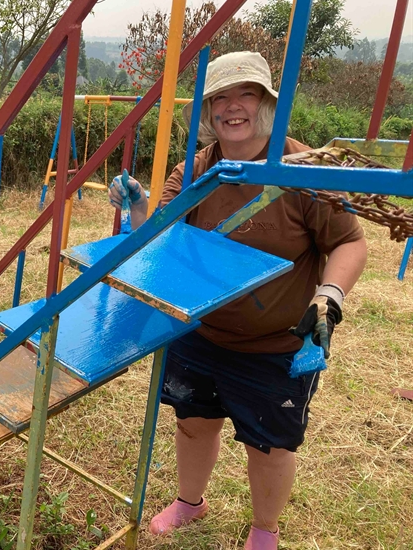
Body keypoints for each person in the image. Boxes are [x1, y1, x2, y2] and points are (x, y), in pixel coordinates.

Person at [108, 52, 367, 549]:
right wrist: (139, 207)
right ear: (207, 112)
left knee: (269, 446)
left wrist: (329, 295)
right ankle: (190, 501)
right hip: (199, 331)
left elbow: (350, 243)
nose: (232, 107)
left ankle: (264, 531)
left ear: (267, 102)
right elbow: (157, 239)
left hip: (277, 345)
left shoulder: (304, 171)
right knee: (192, 423)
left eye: (245, 94)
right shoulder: (198, 170)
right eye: (220, 98)